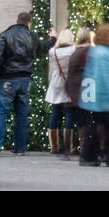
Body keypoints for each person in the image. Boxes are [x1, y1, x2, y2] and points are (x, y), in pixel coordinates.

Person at [0, 11, 55, 157]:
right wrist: (53, 38)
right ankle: (20, 148)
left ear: (17, 21)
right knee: (22, 114)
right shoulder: (32, 37)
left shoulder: (5, 35)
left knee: (1, 111)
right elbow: (44, 48)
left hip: (7, 79)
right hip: (24, 79)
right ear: (28, 23)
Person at [79, 24, 109, 167]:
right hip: (101, 98)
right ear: (106, 36)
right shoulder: (106, 54)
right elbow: (106, 78)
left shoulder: (95, 51)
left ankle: (88, 157)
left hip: (90, 97)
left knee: (93, 128)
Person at [45, 28, 76, 157]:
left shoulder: (53, 51)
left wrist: (53, 37)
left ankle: (54, 146)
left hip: (57, 82)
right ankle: (68, 147)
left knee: (55, 112)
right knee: (69, 112)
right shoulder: (74, 50)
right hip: (70, 82)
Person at [64, 27, 94, 160]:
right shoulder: (92, 52)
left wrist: (71, 94)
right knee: (89, 122)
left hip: (78, 93)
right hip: (90, 92)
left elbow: (70, 75)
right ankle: (87, 149)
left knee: (83, 123)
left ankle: (82, 148)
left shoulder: (76, 53)